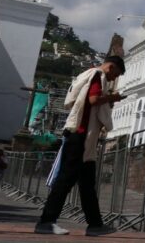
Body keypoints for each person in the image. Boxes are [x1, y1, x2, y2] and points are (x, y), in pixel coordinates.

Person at [35, 55, 126, 236]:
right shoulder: (97, 76)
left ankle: (95, 225)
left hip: (83, 138)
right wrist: (112, 97)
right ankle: (47, 221)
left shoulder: (88, 74)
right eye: (116, 74)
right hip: (81, 136)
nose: (114, 78)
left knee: (87, 184)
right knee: (66, 180)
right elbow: (93, 100)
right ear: (111, 67)